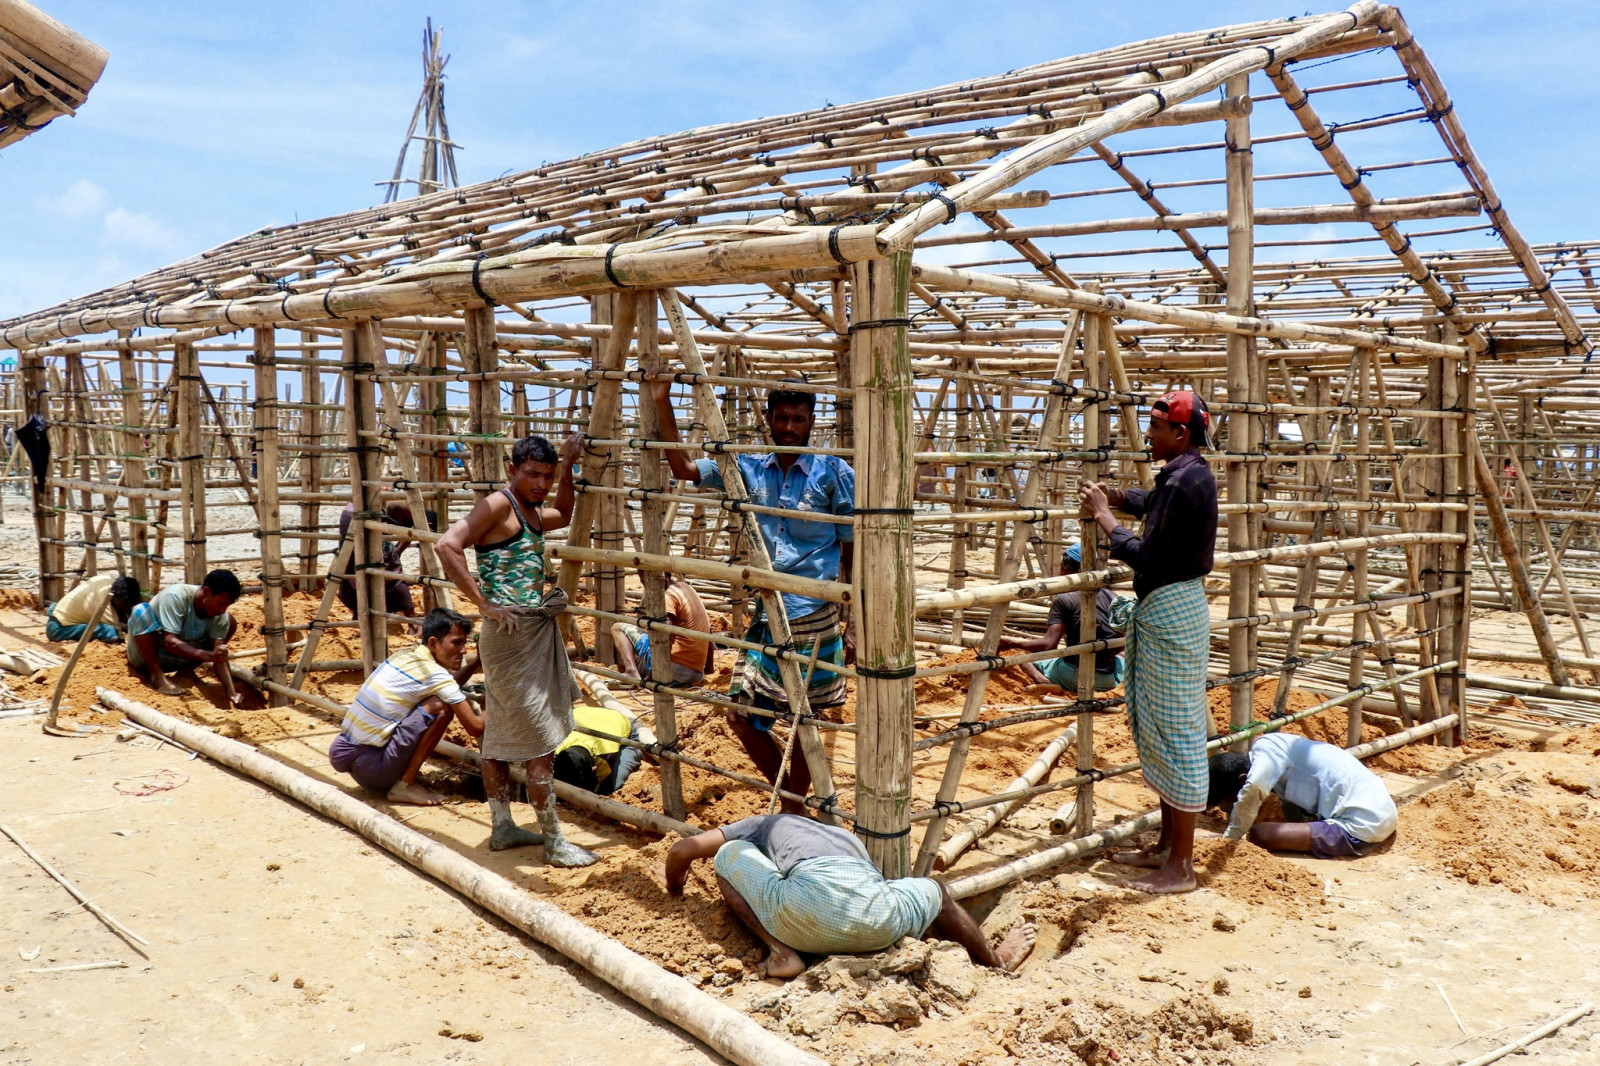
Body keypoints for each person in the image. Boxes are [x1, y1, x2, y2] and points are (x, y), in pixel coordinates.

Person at [652, 380, 853, 814]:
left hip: (812, 613)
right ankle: (795, 804)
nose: (788, 427)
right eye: (781, 418)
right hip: (768, 612)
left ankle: (793, 809)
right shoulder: (748, 469)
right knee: (741, 716)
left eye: (798, 419)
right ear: (768, 420)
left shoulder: (834, 474)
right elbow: (686, 469)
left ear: (811, 423)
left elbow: (852, 547)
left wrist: (850, 621)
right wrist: (660, 399)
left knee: (806, 721)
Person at [436, 432, 599, 865]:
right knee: (538, 740)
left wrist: (568, 464)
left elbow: (562, 513)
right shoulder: (499, 504)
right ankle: (553, 841)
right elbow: (446, 545)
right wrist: (483, 604)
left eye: (547, 476)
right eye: (532, 474)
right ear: (512, 470)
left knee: (499, 733)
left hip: (527, 633)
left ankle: (503, 826)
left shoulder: (528, 509)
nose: (540, 483)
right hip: (509, 637)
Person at [1079, 391, 1218, 894]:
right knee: (1159, 723)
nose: (1149, 436)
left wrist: (1106, 520)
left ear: (1180, 434)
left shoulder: (1184, 481)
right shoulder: (1185, 476)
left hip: (1170, 608)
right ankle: (1165, 845)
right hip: (1171, 609)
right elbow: (1156, 505)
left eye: (1157, 429)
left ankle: (1181, 865)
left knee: (1176, 730)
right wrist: (1119, 497)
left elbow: (1148, 557)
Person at [665, 814, 1036, 978]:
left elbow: (682, 851)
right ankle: (994, 961)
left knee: (729, 854)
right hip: (880, 924)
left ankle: (781, 953)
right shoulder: (843, 837)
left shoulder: (764, 824)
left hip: (803, 915)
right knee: (935, 890)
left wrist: (674, 890)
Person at [328, 608, 483, 806]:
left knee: (436, 699)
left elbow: (446, 684)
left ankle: (401, 778)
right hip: (374, 769)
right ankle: (405, 784)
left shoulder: (403, 656)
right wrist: (490, 701)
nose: (463, 651)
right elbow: (475, 727)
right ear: (434, 643)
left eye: (465, 643)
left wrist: (475, 663)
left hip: (345, 752)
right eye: (457, 643)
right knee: (441, 707)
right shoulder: (436, 675)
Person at [1210, 733, 1398, 857]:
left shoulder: (1266, 751)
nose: (1233, 807)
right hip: (1381, 812)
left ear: (1242, 780)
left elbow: (1255, 786)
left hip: (1361, 827)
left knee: (1260, 834)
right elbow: (1290, 804)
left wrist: (1230, 839)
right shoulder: (1278, 751)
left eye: (1234, 801)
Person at [998, 543, 1124, 694]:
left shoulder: (1066, 600)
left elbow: (1048, 645)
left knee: (1025, 659)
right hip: (1108, 679)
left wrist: (1011, 642)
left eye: (1062, 567)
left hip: (1075, 677)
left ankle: (1045, 682)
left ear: (1069, 569)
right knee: (1121, 657)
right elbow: (1119, 645)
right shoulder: (1112, 596)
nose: (1059, 572)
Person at [126, 569, 243, 704]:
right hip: (147, 656)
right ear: (206, 592)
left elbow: (219, 657)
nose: (222, 610)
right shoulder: (175, 597)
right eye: (221, 604)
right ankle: (157, 676)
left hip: (179, 659)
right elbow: (171, 642)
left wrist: (231, 691)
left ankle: (185, 672)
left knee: (230, 621)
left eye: (227, 605)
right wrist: (208, 655)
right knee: (141, 611)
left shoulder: (219, 615)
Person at [336, 501, 436, 620]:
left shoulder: (381, 512)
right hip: (366, 591)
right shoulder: (380, 521)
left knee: (361, 565)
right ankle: (412, 623)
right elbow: (389, 565)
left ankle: (358, 614)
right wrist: (406, 539)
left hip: (349, 591)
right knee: (398, 582)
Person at [610, 574, 714, 688]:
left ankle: (631, 671)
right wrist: (708, 668)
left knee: (618, 628)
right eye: (643, 583)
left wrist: (652, 676)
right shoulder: (686, 588)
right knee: (647, 635)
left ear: (663, 576)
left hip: (673, 670)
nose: (645, 587)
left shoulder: (668, 597)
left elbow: (663, 636)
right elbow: (708, 630)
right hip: (695, 673)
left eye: (646, 582)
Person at [551, 704, 644, 796]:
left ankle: (635, 751)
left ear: (594, 769)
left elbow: (594, 791)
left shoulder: (605, 758)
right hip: (585, 714)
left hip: (619, 725)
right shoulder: (553, 747)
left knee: (610, 787)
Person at [45, 574, 141, 644]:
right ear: (115, 597)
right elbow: (121, 638)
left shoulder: (109, 580)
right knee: (109, 632)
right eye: (125, 606)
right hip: (58, 629)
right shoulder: (103, 606)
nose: (127, 608)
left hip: (58, 612)